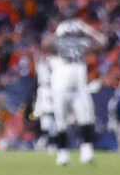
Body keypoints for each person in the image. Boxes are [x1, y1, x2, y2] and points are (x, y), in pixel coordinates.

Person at [39, 18, 106, 166]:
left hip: (79, 87)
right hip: (60, 87)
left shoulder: (81, 43)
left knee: (86, 119)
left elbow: (102, 43)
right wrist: (59, 32)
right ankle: (62, 152)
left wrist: (87, 30)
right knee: (61, 121)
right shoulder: (57, 43)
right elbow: (44, 45)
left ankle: (87, 151)